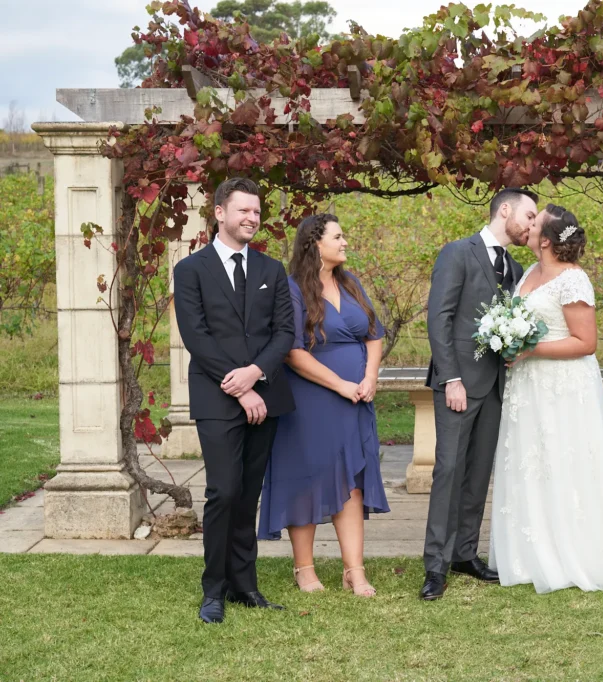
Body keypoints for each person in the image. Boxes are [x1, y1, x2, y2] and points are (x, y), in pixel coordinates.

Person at [489, 205, 603, 593]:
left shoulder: (574, 279)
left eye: (535, 221)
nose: (528, 224)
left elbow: (586, 342)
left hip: (562, 387)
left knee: (563, 462)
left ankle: (573, 554)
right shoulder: (530, 271)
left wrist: (530, 349)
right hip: (527, 386)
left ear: (546, 239)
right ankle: (528, 555)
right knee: (531, 462)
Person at [173, 177, 296, 624]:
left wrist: (256, 373)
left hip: (266, 395)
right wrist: (241, 387)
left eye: (257, 211)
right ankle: (213, 590)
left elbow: (284, 332)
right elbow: (196, 336)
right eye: (243, 210)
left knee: (247, 495)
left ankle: (245, 585)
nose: (252, 218)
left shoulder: (271, 270)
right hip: (217, 397)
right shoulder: (190, 270)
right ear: (220, 213)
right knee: (223, 491)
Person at [257, 214, 390, 596]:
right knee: (307, 478)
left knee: (351, 482)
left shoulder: (351, 284)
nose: (345, 242)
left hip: (355, 399)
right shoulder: (293, 289)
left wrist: (369, 377)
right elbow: (291, 352)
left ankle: (354, 572)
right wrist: (340, 385)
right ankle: (304, 569)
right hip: (311, 400)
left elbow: (374, 334)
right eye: (338, 236)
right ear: (315, 243)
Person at [420, 188, 537, 601]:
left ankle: (464, 554)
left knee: (478, 473)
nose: (532, 224)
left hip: (496, 386)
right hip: (458, 383)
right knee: (449, 471)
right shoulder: (458, 253)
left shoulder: (515, 267)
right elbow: (440, 318)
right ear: (505, 210)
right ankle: (435, 566)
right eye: (529, 215)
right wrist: (451, 378)